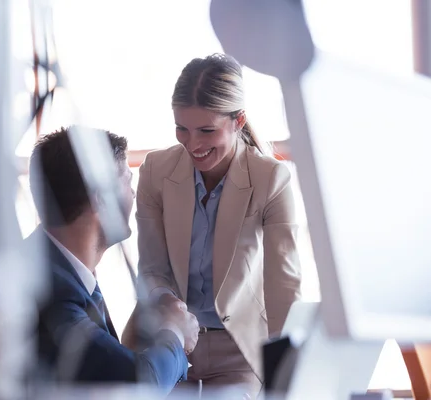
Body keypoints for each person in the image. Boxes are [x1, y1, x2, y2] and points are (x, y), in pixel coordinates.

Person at [136, 54, 302, 395]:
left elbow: (283, 287)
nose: (192, 144)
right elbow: (152, 267)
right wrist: (167, 305)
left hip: (239, 352)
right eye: (182, 128)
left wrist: (286, 378)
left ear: (238, 120)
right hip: (169, 343)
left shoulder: (271, 179)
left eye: (207, 130)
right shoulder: (155, 171)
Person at [28, 126, 199, 392]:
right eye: (127, 182)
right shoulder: (51, 293)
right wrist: (174, 333)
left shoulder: (59, 269)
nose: (133, 194)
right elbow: (138, 385)